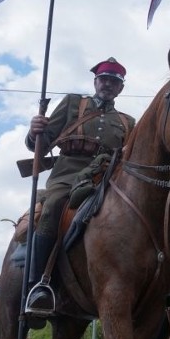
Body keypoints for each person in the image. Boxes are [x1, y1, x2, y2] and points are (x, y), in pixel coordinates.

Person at [24, 57, 135, 315]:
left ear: (120, 88)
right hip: (68, 175)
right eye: (104, 79)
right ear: (95, 82)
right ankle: (38, 283)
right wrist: (35, 131)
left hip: (107, 179)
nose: (108, 84)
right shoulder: (74, 103)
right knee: (53, 206)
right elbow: (38, 143)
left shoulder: (127, 121)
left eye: (114, 81)